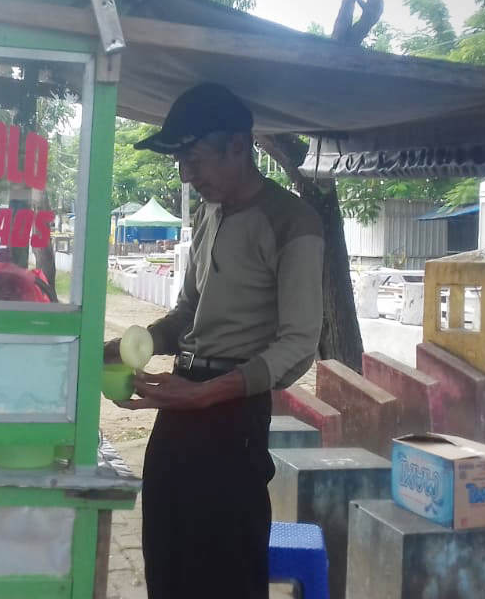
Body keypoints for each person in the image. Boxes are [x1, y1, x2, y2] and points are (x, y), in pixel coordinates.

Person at [104, 82, 324, 599]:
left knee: (224, 566)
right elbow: (187, 312)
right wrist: (136, 342)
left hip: (233, 419)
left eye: (196, 159)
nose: (188, 175)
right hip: (182, 404)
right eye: (181, 161)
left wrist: (205, 394)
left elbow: (298, 344)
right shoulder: (207, 213)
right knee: (167, 549)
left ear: (238, 147)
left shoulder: (293, 223)